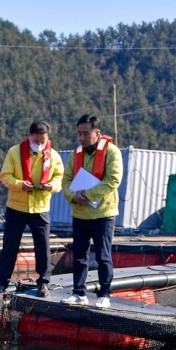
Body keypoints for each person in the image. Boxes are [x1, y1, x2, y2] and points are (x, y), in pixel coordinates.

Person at [0, 121, 64, 297]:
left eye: (43, 141)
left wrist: (51, 186)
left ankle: (43, 283)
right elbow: (5, 175)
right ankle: (1, 284)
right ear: (30, 136)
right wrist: (19, 184)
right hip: (16, 206)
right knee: (9, 246)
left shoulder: (53, 156)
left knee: (43, 247)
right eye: (36, 140)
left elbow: (59, 178)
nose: (39, 144)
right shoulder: (14, 152)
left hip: (40, 208)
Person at [61, 114, 124, 309]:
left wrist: (88, 195)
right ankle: (78, 292)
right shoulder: (75, 154)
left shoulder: (112, 152)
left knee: (103, 256)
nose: (81, 138)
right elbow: (65, 181)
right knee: (79, 255)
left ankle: (105, 294)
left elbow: (113, 180)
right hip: (79, 214)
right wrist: (73, 196)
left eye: (85, 133)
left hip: (103, 214)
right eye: (79, 133)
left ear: (97, 133)